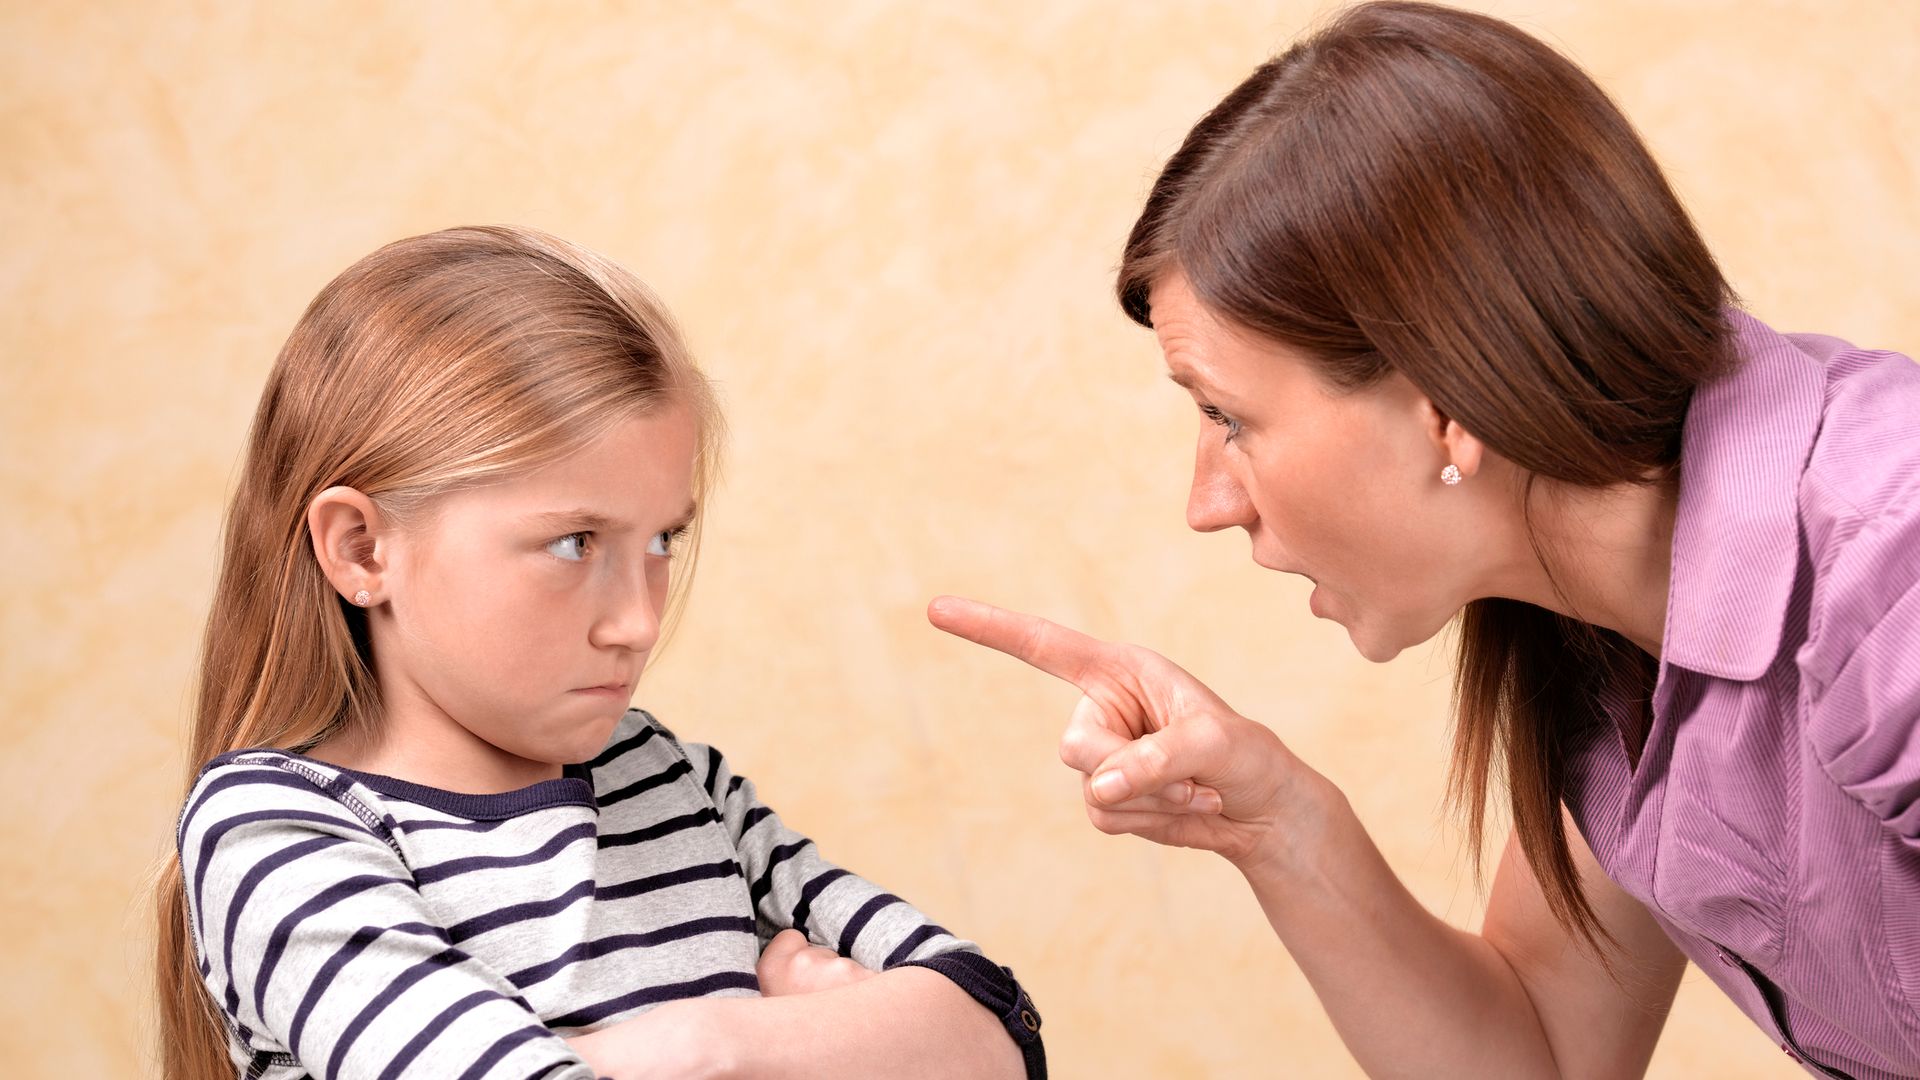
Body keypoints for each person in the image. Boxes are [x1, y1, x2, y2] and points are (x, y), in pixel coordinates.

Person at [930, 3, 1918, 1077]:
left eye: (1228, 417)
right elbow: (1544, 1057)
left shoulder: (1888, 560)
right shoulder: (1611, 646)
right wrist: (1277, 823)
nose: (1207, 499)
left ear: (1448, 405)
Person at [154, 226, 1043, 1080]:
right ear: (361, 549)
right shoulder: (277, 832)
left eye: (662, 540)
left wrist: (708, 1045)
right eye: (575, 543)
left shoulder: (669, 779)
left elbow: (997, 1034)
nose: (639, 623)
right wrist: (835, 1039)